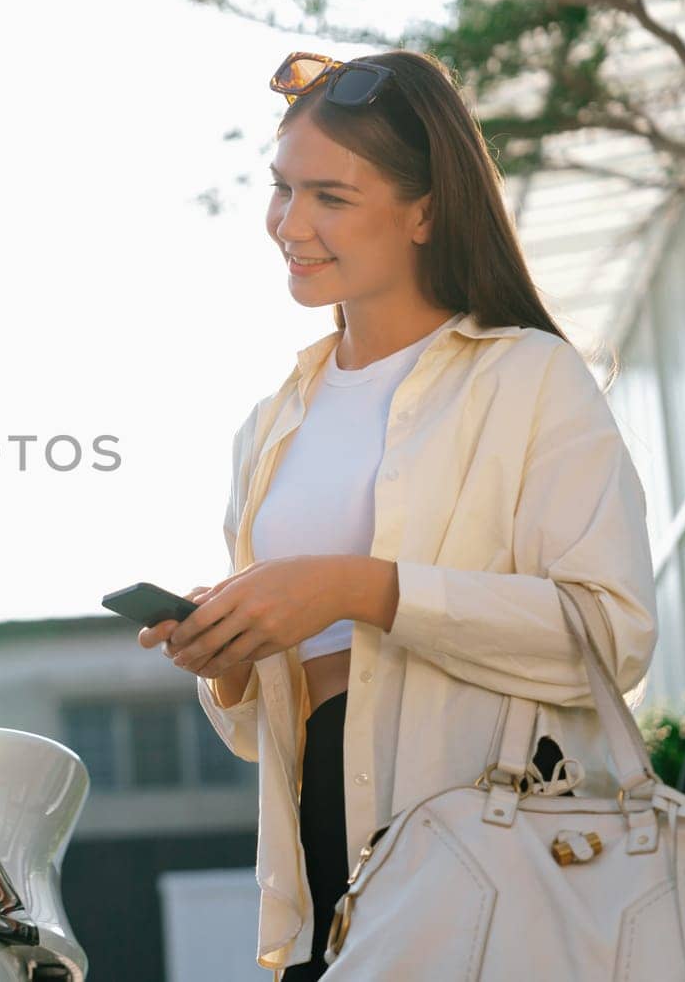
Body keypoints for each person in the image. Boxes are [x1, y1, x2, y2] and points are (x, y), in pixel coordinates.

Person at [136, 50, 658, 980]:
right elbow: (265, 736)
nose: (290, 225)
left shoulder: (529, 377)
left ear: (425, 209)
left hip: (504, 862)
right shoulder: (269, 428)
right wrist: (228, 665)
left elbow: (610, 635)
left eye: (330, 197)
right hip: (324, 867)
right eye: (281, 189)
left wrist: (359, 589)